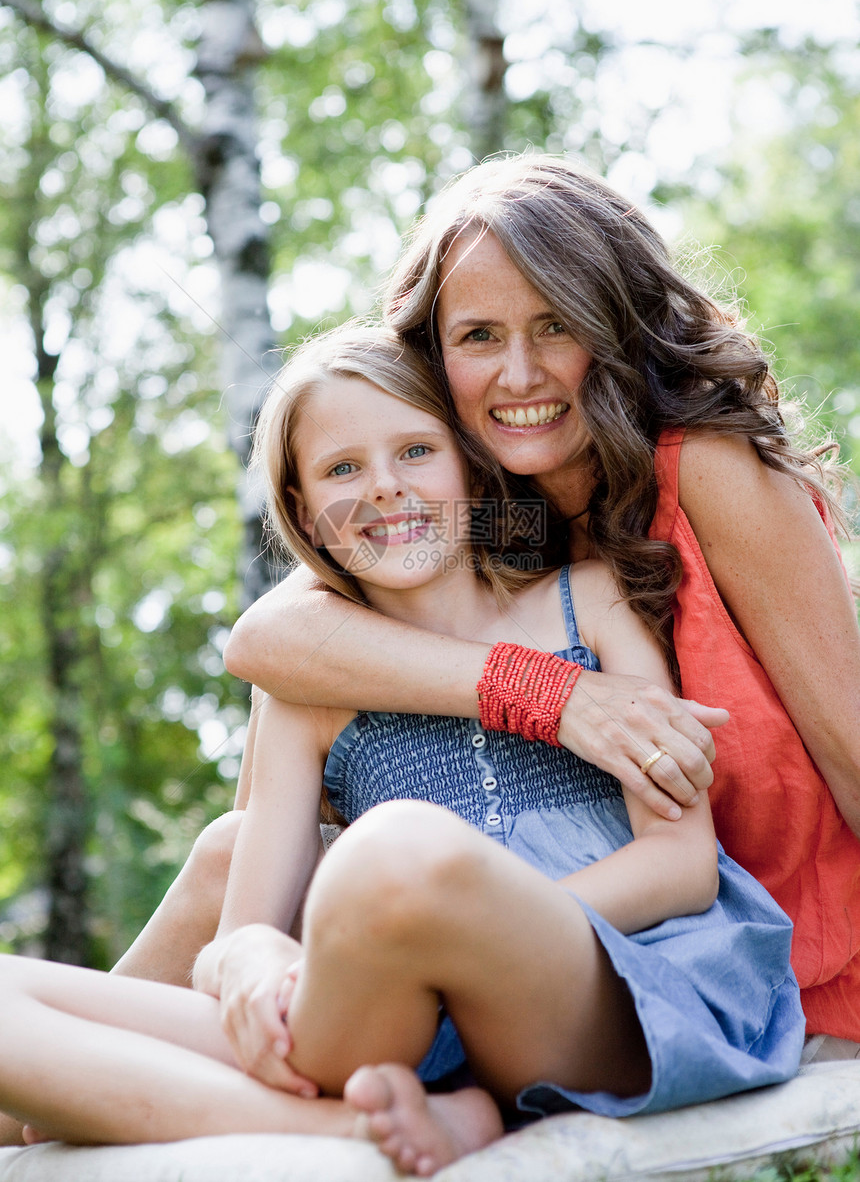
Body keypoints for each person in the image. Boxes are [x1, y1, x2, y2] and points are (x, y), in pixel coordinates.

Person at [0, 327, 804, 1173]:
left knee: (393, 851)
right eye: (343, 470)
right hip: (392, 1022)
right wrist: (256, 962)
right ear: (306, 510)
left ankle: (242, 1092)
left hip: (609, 979)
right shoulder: (303, 694)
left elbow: (682, 865)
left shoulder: (589, 603)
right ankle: (365, 1128)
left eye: (416, 451)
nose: (384, 489)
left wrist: (470, 923)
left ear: (466, 466)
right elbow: (240, 932)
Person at [221, 154, 860, 1051]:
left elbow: (852, 748)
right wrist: (552, 696)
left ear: (618, 326)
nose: (518, 374)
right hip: (545, 941)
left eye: (556, 325)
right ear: (433, 358)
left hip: (764, 941)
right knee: (229, 853)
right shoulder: (486, 508)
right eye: (479, 336)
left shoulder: (702, 467)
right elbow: (268, 639)